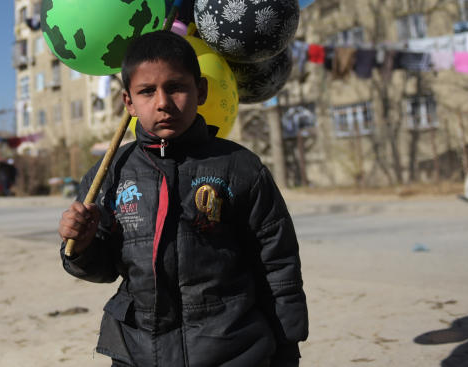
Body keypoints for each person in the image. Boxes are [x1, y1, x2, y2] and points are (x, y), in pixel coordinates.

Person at [58, 31, 308, 367]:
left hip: (233, 351)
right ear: (128, 102)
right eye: (146, 91)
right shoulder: (110, 174)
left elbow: (278, 265)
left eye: (176, 87)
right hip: (138, 350)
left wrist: (287, 348)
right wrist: (82, 245)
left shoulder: (240, 167)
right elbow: (102, 269)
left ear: (200, 90)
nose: (162, 102)